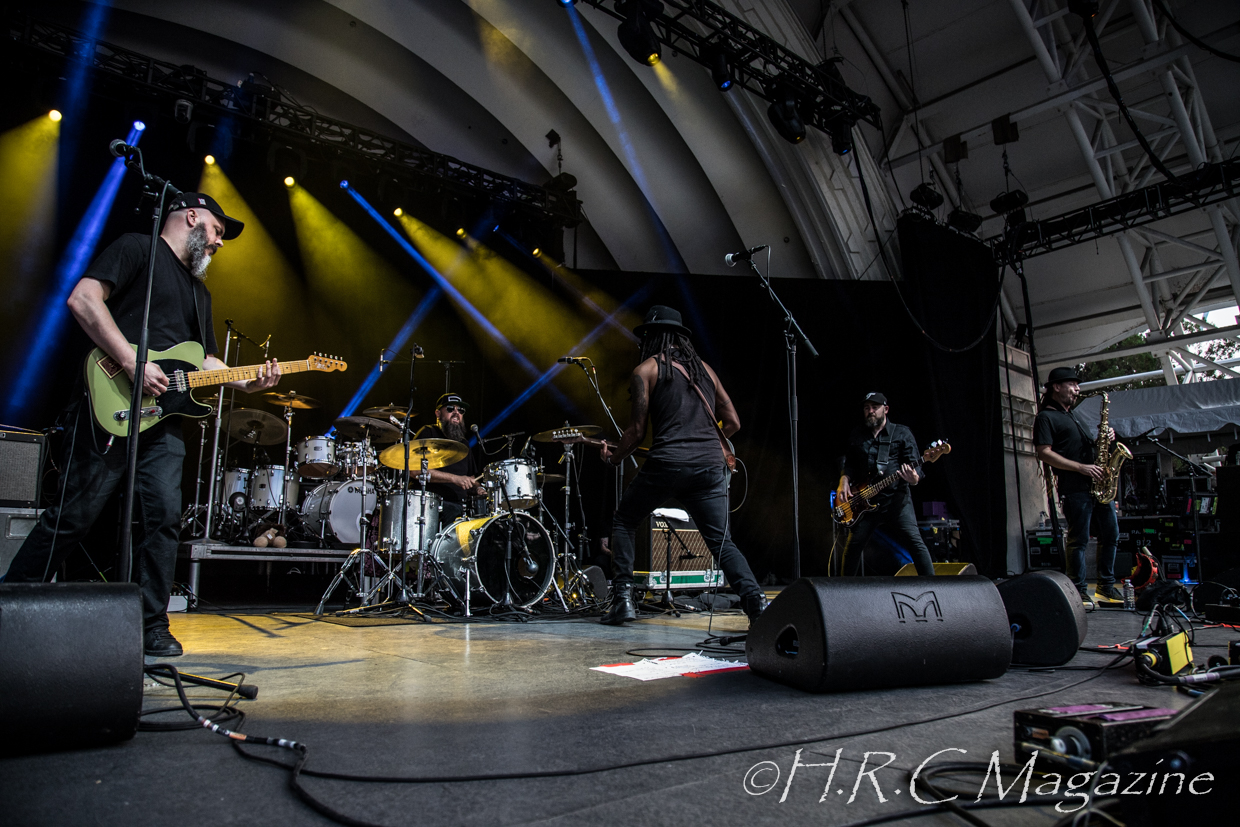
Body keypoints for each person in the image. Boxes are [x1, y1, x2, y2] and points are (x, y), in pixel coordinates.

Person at [2, 193, 281, 656]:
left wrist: (247, 382)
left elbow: (206, 361)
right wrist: (131, 361)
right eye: (217, 230)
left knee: (164, 519)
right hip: (110, 401)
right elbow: (83, 298)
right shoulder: (137, 247)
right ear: (190, 216)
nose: (219, 242)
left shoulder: (200, 292)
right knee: (76, 513)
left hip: (165, 418)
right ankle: (11, 598)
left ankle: (151, 624)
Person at [598, 305, 767, 625]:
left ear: (652, 337)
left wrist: (613, 457)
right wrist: (704, 441)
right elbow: (733, 422)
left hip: (668, 464)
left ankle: (623, 601)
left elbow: (636, 432)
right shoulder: (706, 371)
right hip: (709, 468)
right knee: (721, 543)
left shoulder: (646, 370)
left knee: (624, 521)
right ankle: (756, 603)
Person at [1033, 366, 1122, 604]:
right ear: (1056, 387)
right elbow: (1044, 453)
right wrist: (1081, 467)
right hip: (1075, 487)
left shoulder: (1073, 415)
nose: (1077, 389)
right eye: (1072, 385)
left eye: (1077, 385)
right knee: (1078, 539)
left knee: (1111, 535)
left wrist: (1105, 438)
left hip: (1097, 485)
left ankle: (1106, 587)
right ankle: (1077, 590)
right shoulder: (1045, 417)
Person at [836, 392, 936, 577]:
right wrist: (843, 481)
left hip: (896, 501)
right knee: (853, 547)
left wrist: (913, 478)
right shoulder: (858, 434)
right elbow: (850, 464)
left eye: (875, 407)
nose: (870, 411)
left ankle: (934, 586)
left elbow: (916, 469)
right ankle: (844, 588)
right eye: (867, 408)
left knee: (915, 543)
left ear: (886, 409)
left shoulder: (902, 433)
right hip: (865, 501)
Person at [413, 392, 484, 525]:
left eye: (461, 410)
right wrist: (454, 478)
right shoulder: (428, 433)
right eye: (451, 409)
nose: (456, 413)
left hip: (462, 506)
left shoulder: (464, 444)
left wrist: (478, 488)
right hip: (433, 504)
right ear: (438, 413)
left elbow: (471, 479)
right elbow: (415, 471)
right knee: (454, 513)